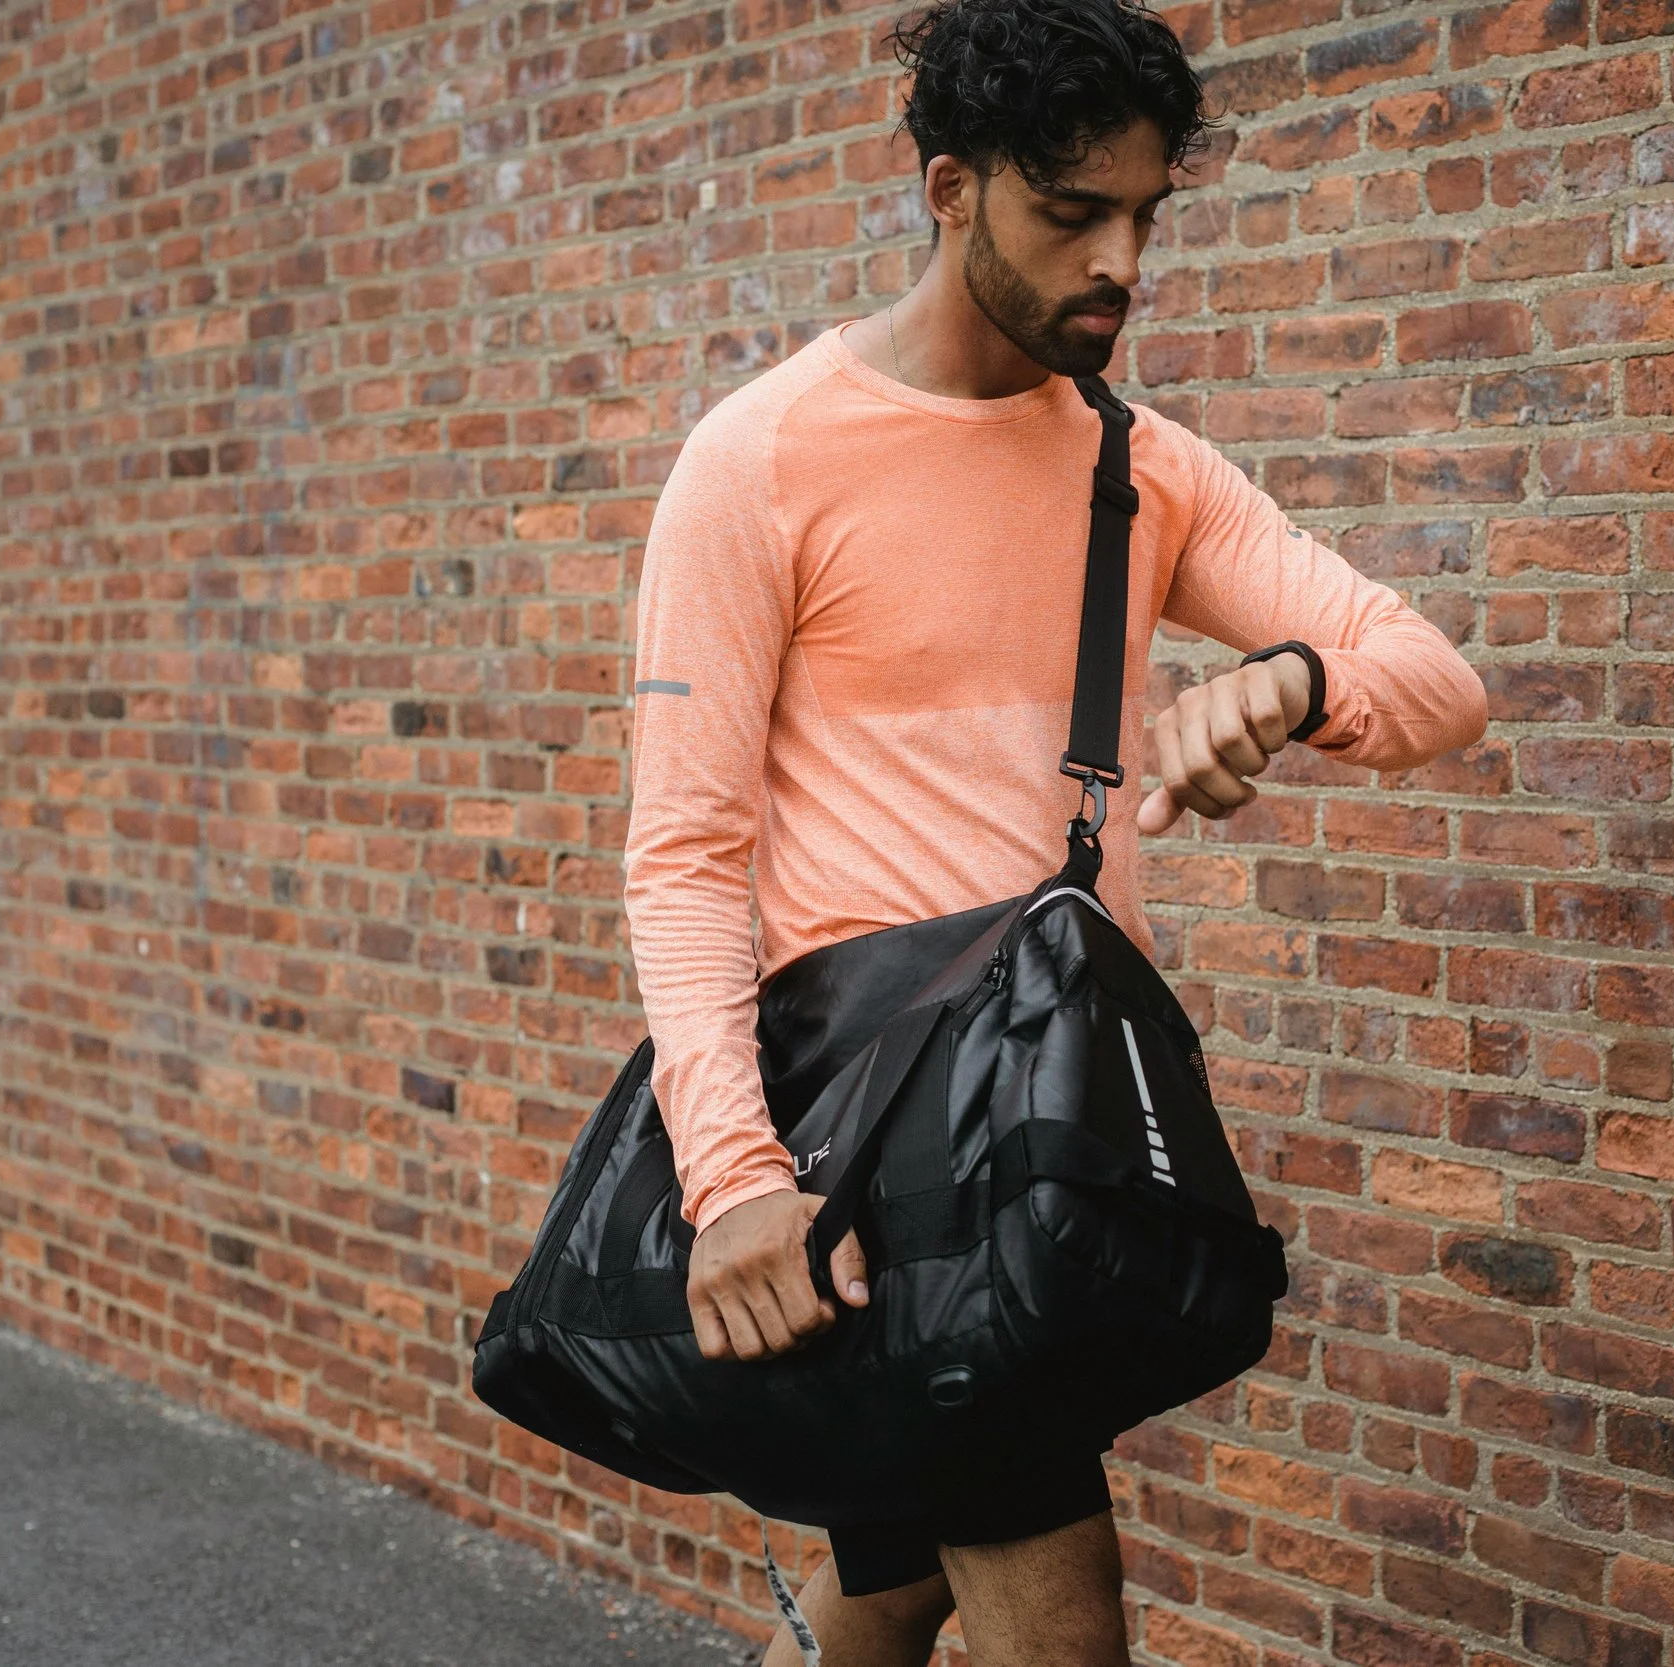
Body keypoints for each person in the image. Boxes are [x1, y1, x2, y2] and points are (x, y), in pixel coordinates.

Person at [618, 0, 1490, 1659]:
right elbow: (683, 850)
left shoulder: (1139, 470)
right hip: (875, 1154)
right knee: (1053, 1613)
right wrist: (734, 1176)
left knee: (892, 1577)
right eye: (1070, 211)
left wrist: (1292, 683)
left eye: (1145, 214)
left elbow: (1436, 679)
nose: (1122, 262)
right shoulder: (763, 461)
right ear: (951, 188)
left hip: (1057, 1130)